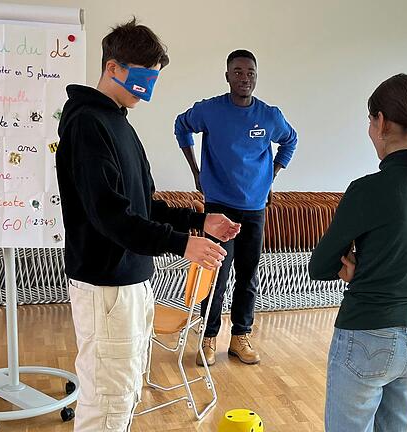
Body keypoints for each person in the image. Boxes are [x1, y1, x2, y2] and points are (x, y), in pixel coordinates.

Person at [56, 19, 240, 432]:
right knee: (108, 400)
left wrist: (199, 221)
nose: (148, 89)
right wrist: (182, 244)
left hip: (133, 281)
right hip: (106, 285)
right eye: (142, 77)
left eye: (153, 78)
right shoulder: (88, 123)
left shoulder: (119, 121)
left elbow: (144, 204)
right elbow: (111, 216)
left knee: (124, 391)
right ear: (113, 68)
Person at [309, 74, 407, 432]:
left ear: (381, 122)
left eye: (370, 120)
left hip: (366, 334)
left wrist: (356, 267)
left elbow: (320, 265)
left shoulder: (368, 190)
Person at [174, 49, 298, 366]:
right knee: (216, 273)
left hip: (255, 208)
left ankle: (240, 337)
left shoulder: (270, 116)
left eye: (251, 73)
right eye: (239, 72)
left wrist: (272, 176)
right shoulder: (210, 110)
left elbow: (291, 140)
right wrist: (195, 171)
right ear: (227, 75)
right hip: (219, 208)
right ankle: (209, 338)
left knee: (248, 275)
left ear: (257, 76)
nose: (245, 78)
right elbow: (181, 126)